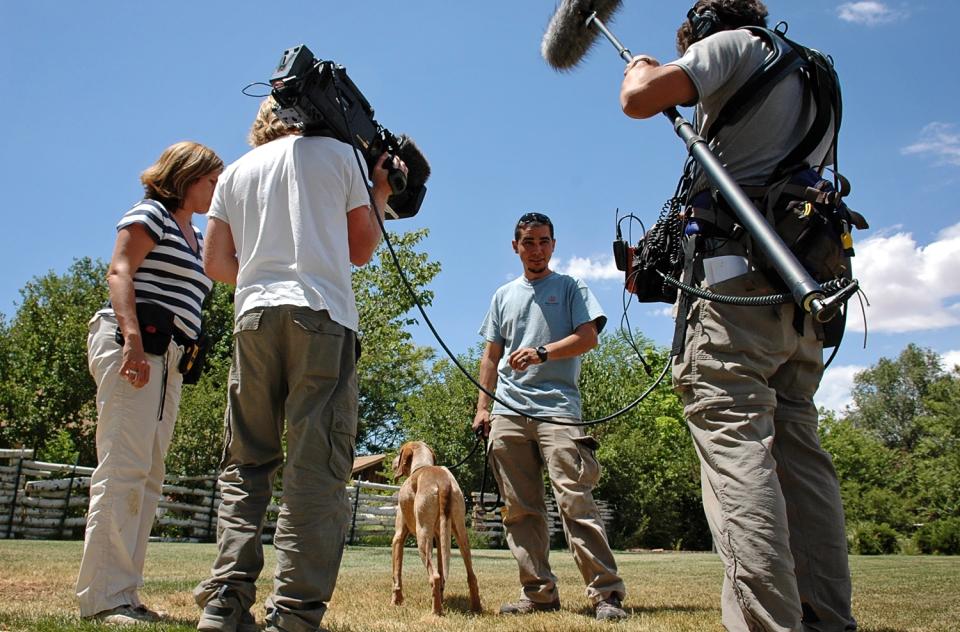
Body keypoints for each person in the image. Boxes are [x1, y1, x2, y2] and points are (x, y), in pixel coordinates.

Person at [620, 2, 857, 631]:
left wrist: (642, 65)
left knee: (737, 446)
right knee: (800, 455)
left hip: (735, 297)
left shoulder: (735, 47)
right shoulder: (816, 75)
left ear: (704, 29)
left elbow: (640, 99)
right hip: (799, 301)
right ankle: (827, 617)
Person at [193, 96, 403, 632]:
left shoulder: (235, 172)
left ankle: (223, 606)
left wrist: (264, 277)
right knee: (315, 470)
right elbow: (360, 249)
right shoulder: (338, 154)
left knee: (245, 464)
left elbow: (216, 262)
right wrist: (380, 188)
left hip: (253, 320)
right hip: (322, 314)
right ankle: (292, 616)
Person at [77, 141, 223, 624]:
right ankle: (102, 599)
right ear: (185, 177)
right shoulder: (151, 214)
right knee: (122, 469)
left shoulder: (197, 236)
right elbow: (120, 272)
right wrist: (133, 344)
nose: (215, 189)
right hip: (135, 348)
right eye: (210, 181)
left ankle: (125, 592)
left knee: (148, 475)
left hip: (170, 359)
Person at [472, 212, 628, 622]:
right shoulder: (503, 295)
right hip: (507, 410)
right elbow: (491, 356)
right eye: (528, 241)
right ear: (515, 247)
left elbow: (588, 337)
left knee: (575, 500)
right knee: (519, 510)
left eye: (543, 241)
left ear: (553, 245)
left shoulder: (571, 286)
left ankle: (606, 594)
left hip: (558, 409)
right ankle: (538, 593)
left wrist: (542, 352)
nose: (536, 249)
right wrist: (483, 407)